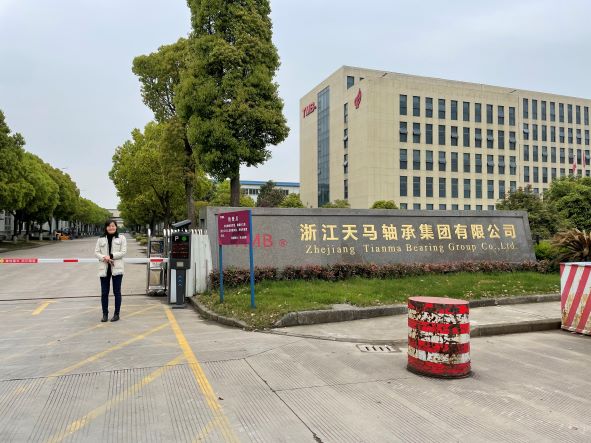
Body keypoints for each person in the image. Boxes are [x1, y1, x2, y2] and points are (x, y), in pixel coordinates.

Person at [94, 220, 127, 322]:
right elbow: (96, 252)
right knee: (104, 292)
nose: (111, 228)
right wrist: (104, 257)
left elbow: (123, 252)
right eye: (109, 226)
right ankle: (105, 314)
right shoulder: (100, 239)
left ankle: (116, 314)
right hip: (104, 269)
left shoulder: (121, 238)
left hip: (117, 268)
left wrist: (111, 256)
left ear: (116, 227)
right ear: (106, 227)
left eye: (113, 226)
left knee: (117, 292)